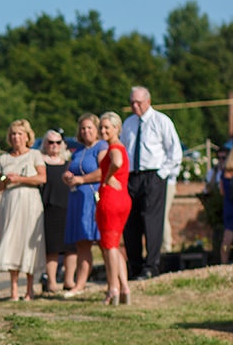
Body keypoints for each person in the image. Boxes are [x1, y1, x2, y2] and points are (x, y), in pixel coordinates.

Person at [121, 86, 181, 279]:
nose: (135, 106)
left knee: (152, 220)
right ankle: (135, 265)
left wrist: (161, 174)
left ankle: (151, 265)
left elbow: (174, 151)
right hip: (132, 176)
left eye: (138, 102)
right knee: (131, 221)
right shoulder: (128, 124)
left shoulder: (161, 121)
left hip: (153, 174)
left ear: (148, 101)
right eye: (132, 103)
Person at [0, 119, 46, 301]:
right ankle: (14, 289)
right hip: (10, 202)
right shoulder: (4, 159)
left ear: (27, 136)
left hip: (29, 202)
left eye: (20, 134)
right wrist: (6, 181)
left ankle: (30, 289)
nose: (16, 137)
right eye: (13, 134)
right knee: (12, 241)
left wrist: (20, 179)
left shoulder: (35, 155)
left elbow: (41, 178)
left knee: (28, 243)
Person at [62, 114, 107, 296]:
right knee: (82, 244)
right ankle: (80, 284)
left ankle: (114, 281)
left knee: (104, 242)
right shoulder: (79, 151)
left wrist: (81, 179)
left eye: (89, 128)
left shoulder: (102, 147)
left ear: (96, 129)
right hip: (78, 200)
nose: (86, 131)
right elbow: (70, 170)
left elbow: (103, 171)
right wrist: (67, 177)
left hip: (94, 199)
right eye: (83, 128)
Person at [97, 112, 132, 305]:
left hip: (111, 198)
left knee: (109, 246)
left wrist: (109, 176)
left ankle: (113, 288)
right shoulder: (120, 147)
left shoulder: (114, 148)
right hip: (123, 199)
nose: (103, 130)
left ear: (117, 129)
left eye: (107, 127)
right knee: (115, 245)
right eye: (101, 127)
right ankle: (124, 287)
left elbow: (116, 161)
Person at [39, 130, 72, 293]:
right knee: (52, 247)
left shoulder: (68, 162)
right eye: (51, 142)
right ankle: (51, 281)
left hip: (67, 206)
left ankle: (69, 280)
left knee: (71, 247)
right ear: (45, 144)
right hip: (49, 207)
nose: (54, 146)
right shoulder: (40, 162)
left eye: (58, 142)